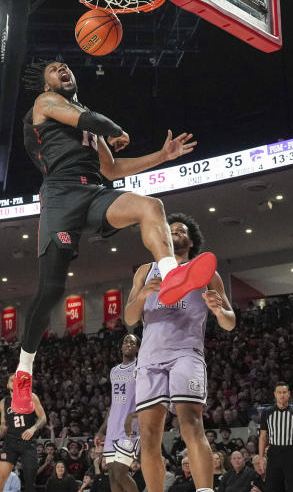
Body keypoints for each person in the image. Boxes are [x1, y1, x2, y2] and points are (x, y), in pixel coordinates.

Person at [12, 60, 214, 414]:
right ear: (46, 84)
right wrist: (116, 129)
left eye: (66, 67)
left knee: (151, 206)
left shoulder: (87, 115)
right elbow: (93, 123)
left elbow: (112, 169)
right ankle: (24, 370)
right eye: (55, 68)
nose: (63, 70)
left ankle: (171, 277)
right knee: (52, 290)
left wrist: (162, 156)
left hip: (94, 193)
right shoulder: (46, 104)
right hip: (61, 196)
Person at [124, 213, 236, 492]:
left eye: (181, 230)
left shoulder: (207, 273)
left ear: (191, 240)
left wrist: (219, 310)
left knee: (191, 426)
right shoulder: (145, 271)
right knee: (149, 438)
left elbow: (230, 323)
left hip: (186, 353)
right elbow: (129, 318)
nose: (175, 233)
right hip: (149, 359)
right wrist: (143, 294)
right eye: (169, 230)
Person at [94, 333, 150, 492]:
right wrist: (102, 428)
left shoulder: (141, 369)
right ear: (121, 347)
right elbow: (114, 403)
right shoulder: (114, 371)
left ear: (137, 349)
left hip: (131, 427)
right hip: (113, 428)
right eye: (125, 341)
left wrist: (134, 416)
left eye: (133, 342)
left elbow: (149, 398)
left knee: (120, 470)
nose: (128, 344)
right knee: (112, 475)